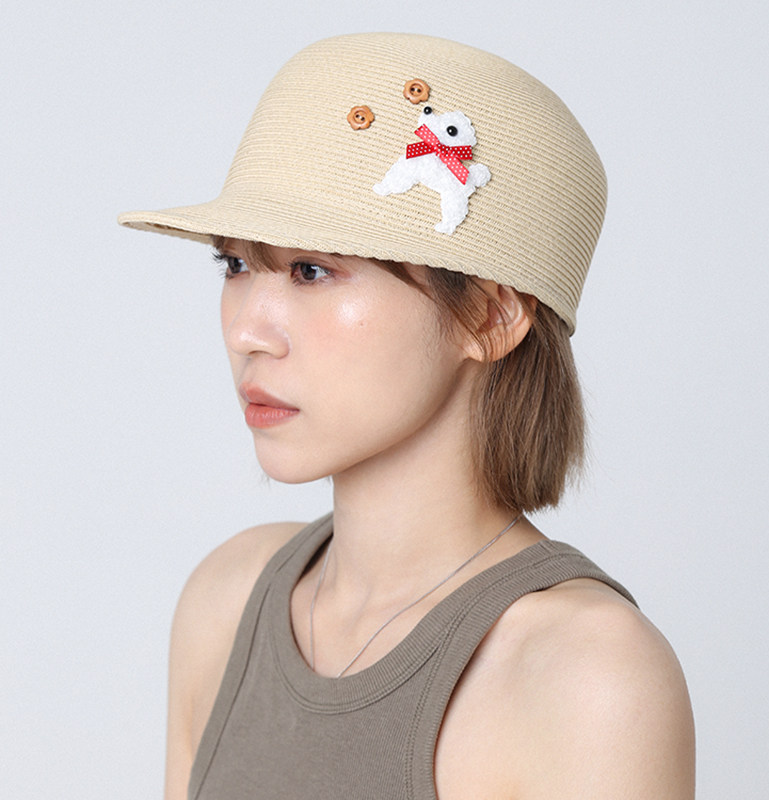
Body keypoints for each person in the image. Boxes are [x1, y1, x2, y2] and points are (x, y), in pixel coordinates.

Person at [119, 32, 695, 800]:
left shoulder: (588, 678)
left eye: (311, 270)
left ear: (490, 317)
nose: (247, 330)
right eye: (236, 264)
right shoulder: (227, 602)